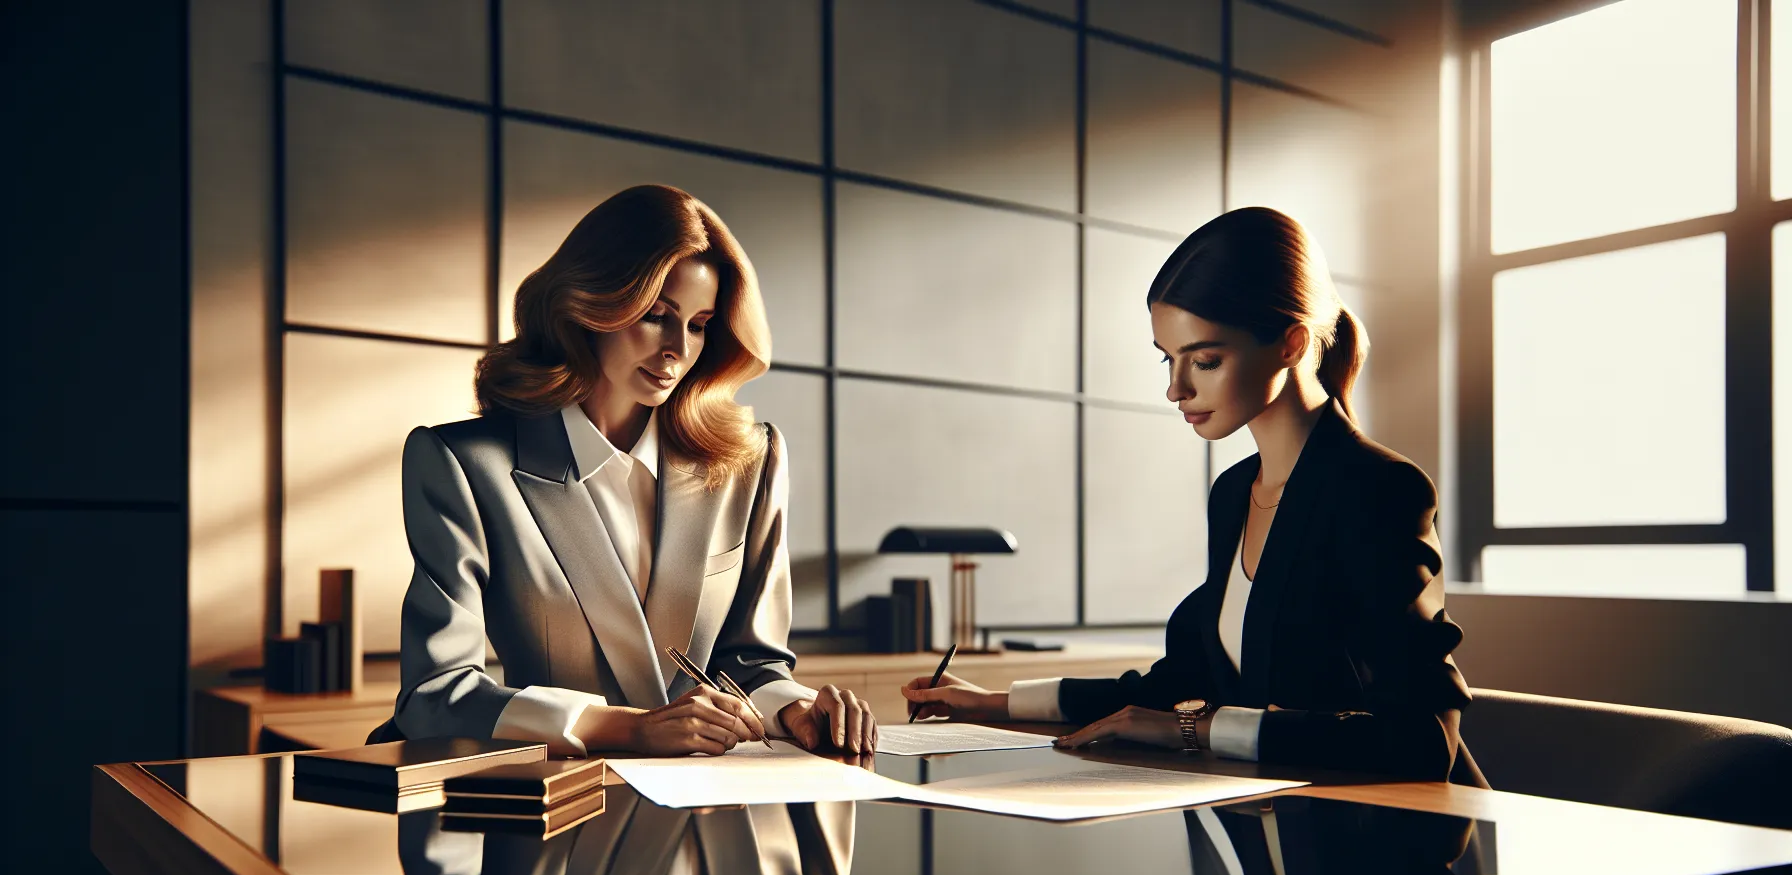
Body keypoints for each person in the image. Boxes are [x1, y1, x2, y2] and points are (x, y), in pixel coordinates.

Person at [903, 207, 1481, 784]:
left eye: (1205, 360)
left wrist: (1195, 730)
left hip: (1390, 840)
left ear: (1290, 343)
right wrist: (992, 702)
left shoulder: (1378, 489)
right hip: (1277, 833)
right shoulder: (1234, 494)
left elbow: (1423, 739)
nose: (1175, 388)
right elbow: (1181, 681)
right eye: (1168, 358)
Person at [373, 184, 876, 757]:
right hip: (556, 815)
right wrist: (627, 728)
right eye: (657, 317)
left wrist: (795, 707)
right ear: (590, 305)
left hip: (706, 810)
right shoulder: (465, 465)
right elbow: (436, 694)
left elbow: (751, 661)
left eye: (698, 324)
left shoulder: (749, 462)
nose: (677, 351)